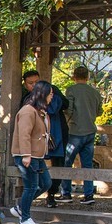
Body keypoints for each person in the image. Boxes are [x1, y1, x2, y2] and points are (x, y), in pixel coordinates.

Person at [8, 79, 52, 224]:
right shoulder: (28, 111)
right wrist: (26, 154)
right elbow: (24, 134)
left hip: (37, 155)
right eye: (50, 93)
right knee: (31, 186)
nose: (52, 96)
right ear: (43, 94)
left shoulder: (39, 111)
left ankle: (20, 207)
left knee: (46, 183)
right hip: (27, 155)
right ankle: (24, 219)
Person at [61, 65, 102, 204]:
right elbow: (99, 112)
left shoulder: (71, 90)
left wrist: (67, 120)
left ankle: (66, 193)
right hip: (91, 131)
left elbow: (69, 109)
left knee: (67, 162)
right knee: (87, 164)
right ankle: (88, 195)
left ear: (74, 76)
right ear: (87, 77)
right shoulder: (95, 92)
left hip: (75, 131)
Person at [42, 79, 69, 209]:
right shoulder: (58, 102)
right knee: (58, 163)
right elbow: (66, 104)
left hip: (43, 137)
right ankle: (51, 194)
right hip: (58, 136)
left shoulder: (33, 103)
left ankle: (45, 193)